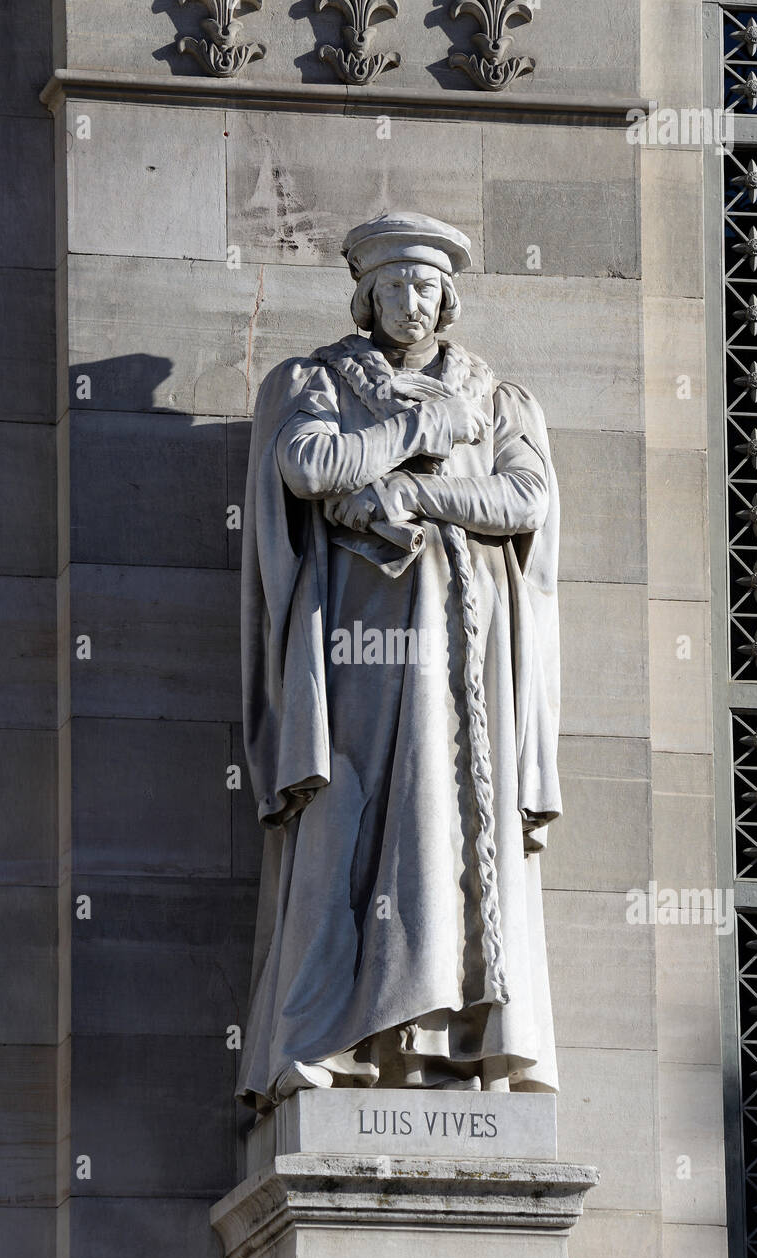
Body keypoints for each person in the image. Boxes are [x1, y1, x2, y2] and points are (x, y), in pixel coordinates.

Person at [238, 211, 561, 1108]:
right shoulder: (319, 381)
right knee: (358, 816)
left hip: (466, 647)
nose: (410, 301)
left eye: (426, 286)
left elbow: (524, 495)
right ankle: (336, 1036)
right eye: (394, 286)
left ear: (445, 300)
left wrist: (409, 488)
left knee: (449, 822)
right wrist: (415, 435)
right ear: (367, 295)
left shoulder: (492, 395)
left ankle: (442, 1044)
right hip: (359, 650)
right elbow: (307, 466)